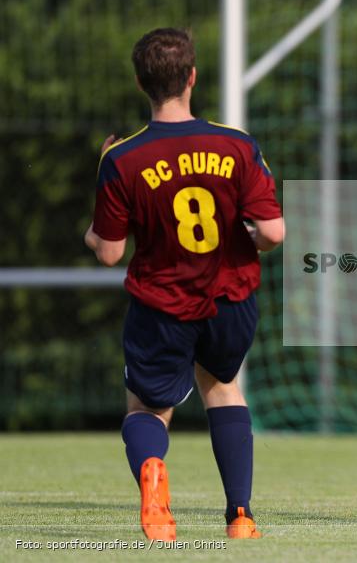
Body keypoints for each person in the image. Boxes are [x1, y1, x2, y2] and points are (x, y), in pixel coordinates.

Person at [84, 28, 284, 541]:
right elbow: (272, 234)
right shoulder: (237, 146)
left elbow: (109, 253)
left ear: (140, 83)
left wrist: (95, 222)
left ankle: (154, 480)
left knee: (148, 408)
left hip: (162, 304)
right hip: (229, 301)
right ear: (192, 77)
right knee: (222, 388)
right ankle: (240, 516)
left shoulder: (122, 158)